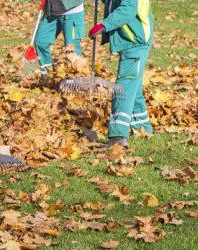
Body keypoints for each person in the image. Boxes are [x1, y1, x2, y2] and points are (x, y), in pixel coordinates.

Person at [89, 0, 154, 148]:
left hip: (136, 43)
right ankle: (142, 127)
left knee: (123, 88)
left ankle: (118, 136)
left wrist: (104, 25)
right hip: (133, 42)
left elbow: (127, 9)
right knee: (133, 88)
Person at [35, 0, 85, 77]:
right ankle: (47, 77)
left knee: (71, 48)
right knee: (41, 42)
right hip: (51, 12)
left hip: (72, 11)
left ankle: (76, 80)